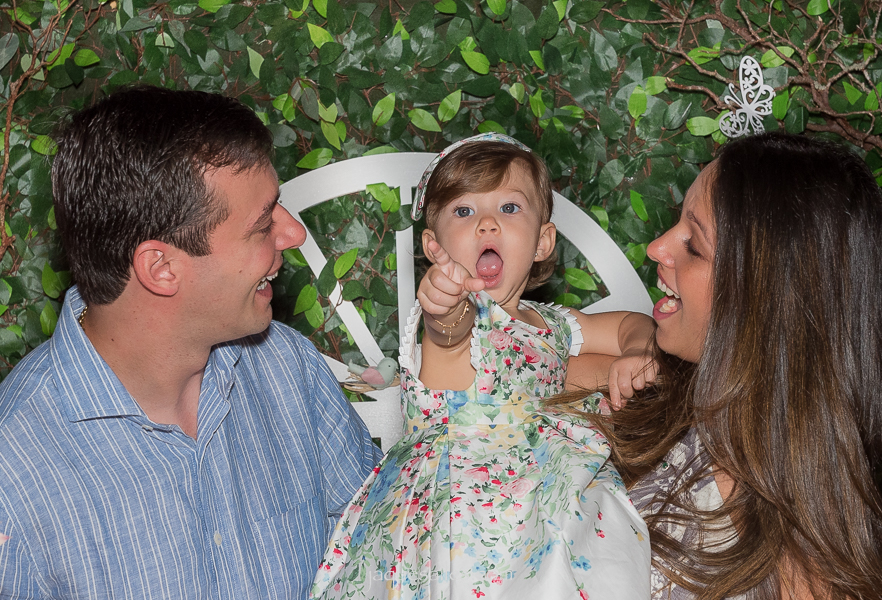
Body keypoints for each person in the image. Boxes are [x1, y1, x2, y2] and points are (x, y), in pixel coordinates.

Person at [0, 86, 382, 599]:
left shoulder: (285, 367)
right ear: (161, 268)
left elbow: (382, 536)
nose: (293, 234)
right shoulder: (15, 477)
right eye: (263, 224)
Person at [311, 134, 655, 599]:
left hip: (548, 503)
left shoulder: (554, 323)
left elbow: (630, 325)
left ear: (542, 241)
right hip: (457, 520)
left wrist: (638, 351)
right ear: (434, 246)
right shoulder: (459, 315)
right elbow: (448, 335)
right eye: (464, 211)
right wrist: (443, 304)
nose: (487, 223)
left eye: (509, 208)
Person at [551, 132, 882, 599]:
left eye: (694, 246)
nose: (656, 248)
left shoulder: (807, 570)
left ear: (768, 303)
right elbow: (513, 373)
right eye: (677, 222)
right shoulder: (672, 394)